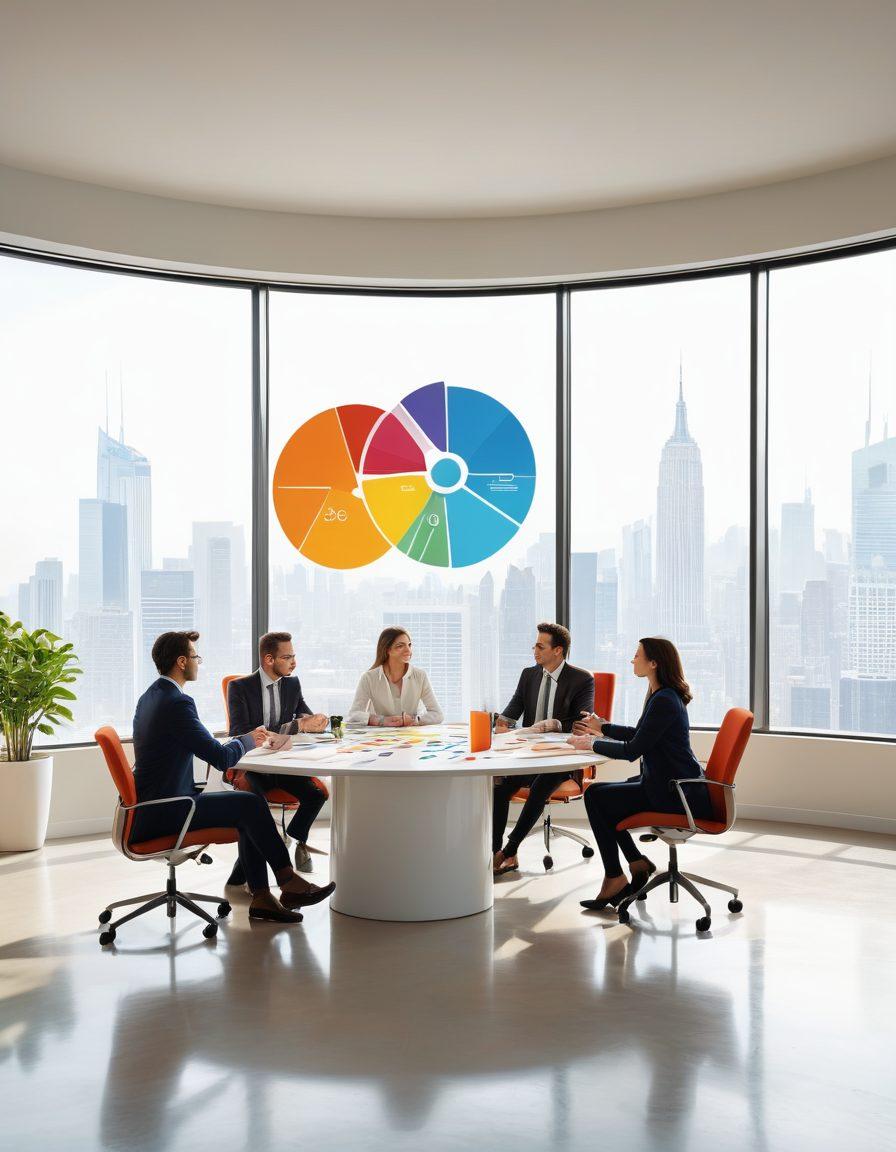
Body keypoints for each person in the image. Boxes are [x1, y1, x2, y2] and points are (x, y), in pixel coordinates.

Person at [131, 630, 334, 924]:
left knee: (245, 806)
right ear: (180, 662)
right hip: (169, 809)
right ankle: (287, 882)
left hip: (150, 806)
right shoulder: (177, 704)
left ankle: (265, 897)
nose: (198, 662)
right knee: (249, 805)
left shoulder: (150, 697)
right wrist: (251, 739)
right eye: (194, 656)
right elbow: (222, 758)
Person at [568, 637, 713, 911]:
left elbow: (634, 749)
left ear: (654, 663)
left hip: (673, 793)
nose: (632, 660)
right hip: (670, 785)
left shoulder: (664, 700)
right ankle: (634, 864)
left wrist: (592, 743)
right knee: (598, 794)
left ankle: (618, 876)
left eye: (637, 655)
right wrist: (604, 727)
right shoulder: (662, 695)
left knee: (597, 798)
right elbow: (641, 735)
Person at [492, 623, 595, 875]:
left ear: (558, 650)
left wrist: (553, 724)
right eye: (534, 645)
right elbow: (513, 710)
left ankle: (510, 850)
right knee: (499, 787)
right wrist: (502, 722)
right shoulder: (529, 674)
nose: (534, 650)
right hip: (529, 755)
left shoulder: (582, 679)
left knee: (540, 786)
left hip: (562, 758)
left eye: (541, 646)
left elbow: (582, 722)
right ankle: (494, 852)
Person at [226, 631, 330, 877]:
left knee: (316, 795)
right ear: (269, 660)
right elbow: (243, 731)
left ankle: (294, 838)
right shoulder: (239, 687)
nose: (294, 662)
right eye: (288, 657)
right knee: (254, 808)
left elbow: (302, 713)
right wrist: (298, 726)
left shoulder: (292, 683)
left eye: (294, 656)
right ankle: (251, 870)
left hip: (282, 765)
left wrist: (314, 720)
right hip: (254, 766)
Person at [346, 627, 444, 726]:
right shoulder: (368, 678)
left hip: (412, 737)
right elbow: (353, 715)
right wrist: (381, 720)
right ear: (387, 650)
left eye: (409, 645)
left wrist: (415, 720)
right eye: (400, 646)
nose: (408, 650)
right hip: (380, 738)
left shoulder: (420, 676)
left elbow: (437, 714)